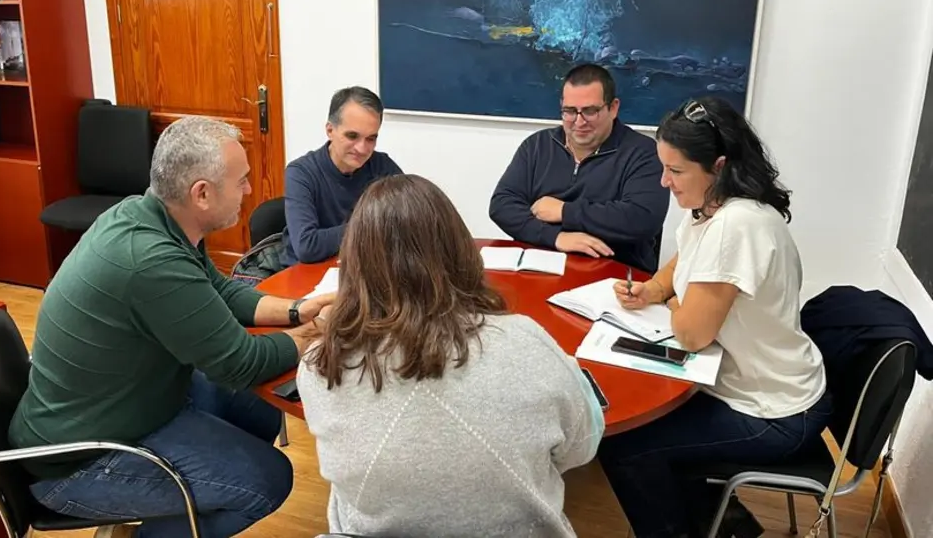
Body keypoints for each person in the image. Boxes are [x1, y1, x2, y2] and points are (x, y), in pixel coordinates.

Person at [8, 116, 333, 538]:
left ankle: (190, 502)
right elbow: (240, 363)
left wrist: (300, 310)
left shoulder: (147, 215)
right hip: (78, 461)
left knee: (256, 407)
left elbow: (219, 290)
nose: (249, 191)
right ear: (201, 193)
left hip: (129, 404)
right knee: (267, 481)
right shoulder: (152, 261)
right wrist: (319, 333)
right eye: (241, 181)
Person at [297, 174, 604, 537]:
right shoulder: (526, 340)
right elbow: (580, 448)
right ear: (460, 250)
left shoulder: (322, 363)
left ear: (353, 263)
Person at [598, 97, 831, 538]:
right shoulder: (714, 207)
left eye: (676, 171)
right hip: (770, 385)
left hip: (772, 411)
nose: (665, 181)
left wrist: (671, 306)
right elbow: (685, 258)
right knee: (653, 428)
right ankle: (728, 527)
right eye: (662, 167)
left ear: (718, 165)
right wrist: (653, 289)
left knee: (626, 446)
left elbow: (691, 334)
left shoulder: (735, 225)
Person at [489, 63, 669, 273]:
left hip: (614, 276)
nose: (579, 121)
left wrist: (564, 212)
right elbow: (502, 205)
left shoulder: (644, 153)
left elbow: (641, 218)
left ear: (613, 108)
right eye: (570, 111)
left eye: (590, 111)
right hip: (539, 267)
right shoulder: (537, 145)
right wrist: (556, 238)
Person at [280, 86, 404, 266]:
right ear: (330, 130)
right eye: (352, 136)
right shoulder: (301, 173)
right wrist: (372, 227)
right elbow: (307, 246)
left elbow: (407, 221)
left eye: (371, 139)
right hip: (306, 274)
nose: (362, 149)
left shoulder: (383, 167)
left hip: (361, 267)